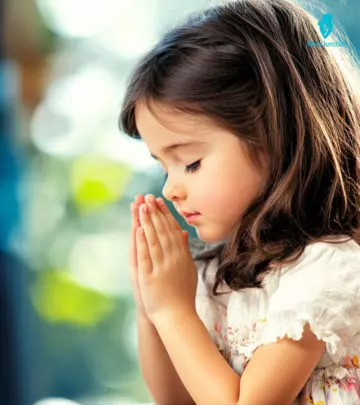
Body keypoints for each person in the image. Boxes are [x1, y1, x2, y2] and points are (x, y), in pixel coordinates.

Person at [120, 0, 360, 403]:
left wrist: (173, 312)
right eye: (165, 168)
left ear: (277, 135)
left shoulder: (328, 267)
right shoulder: (216, 272)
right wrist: (152, 307)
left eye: (191, 163)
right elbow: (175, 399)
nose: (170, 190)